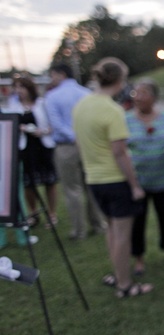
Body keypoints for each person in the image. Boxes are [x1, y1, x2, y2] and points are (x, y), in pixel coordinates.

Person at [73, 57, 152, 298]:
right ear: (119, 80)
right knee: (122, 236)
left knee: (111, 231)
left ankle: (118, 274)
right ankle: (125, 284)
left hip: (94, 180)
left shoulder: (81, 106)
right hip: (115, 181)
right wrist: (135, 185)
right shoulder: (113, 110)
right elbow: (120, 152)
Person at [125, 78, 164, 275]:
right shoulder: (126, 120)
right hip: (138, 182)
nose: (137, 98)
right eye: (135, 93)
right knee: (137, 223)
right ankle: (139, 259)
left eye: (142, 93)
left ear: (153, 97)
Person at [45, 63, 106, 240]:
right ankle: (98, 224)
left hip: (66, 147)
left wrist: (73, 138)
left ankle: (79, 231)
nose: (51, 79)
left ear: (61, 74)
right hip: (88, 144)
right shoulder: (86, 93)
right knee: (91, 186)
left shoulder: (52, 96)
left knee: (72, 189)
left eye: (53, 75)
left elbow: (56, 124)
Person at [4, 76, 58, 228]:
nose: (18, 90)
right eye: (16, 87)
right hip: (25, 148)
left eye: (22, 87)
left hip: (42, 145)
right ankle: (33, 213)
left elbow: (52, 124)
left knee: (49, 181)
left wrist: (44, 131)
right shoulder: (13, 105)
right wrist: (18, 128)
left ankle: (52, 214)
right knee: (29, 183)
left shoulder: (42, 103)